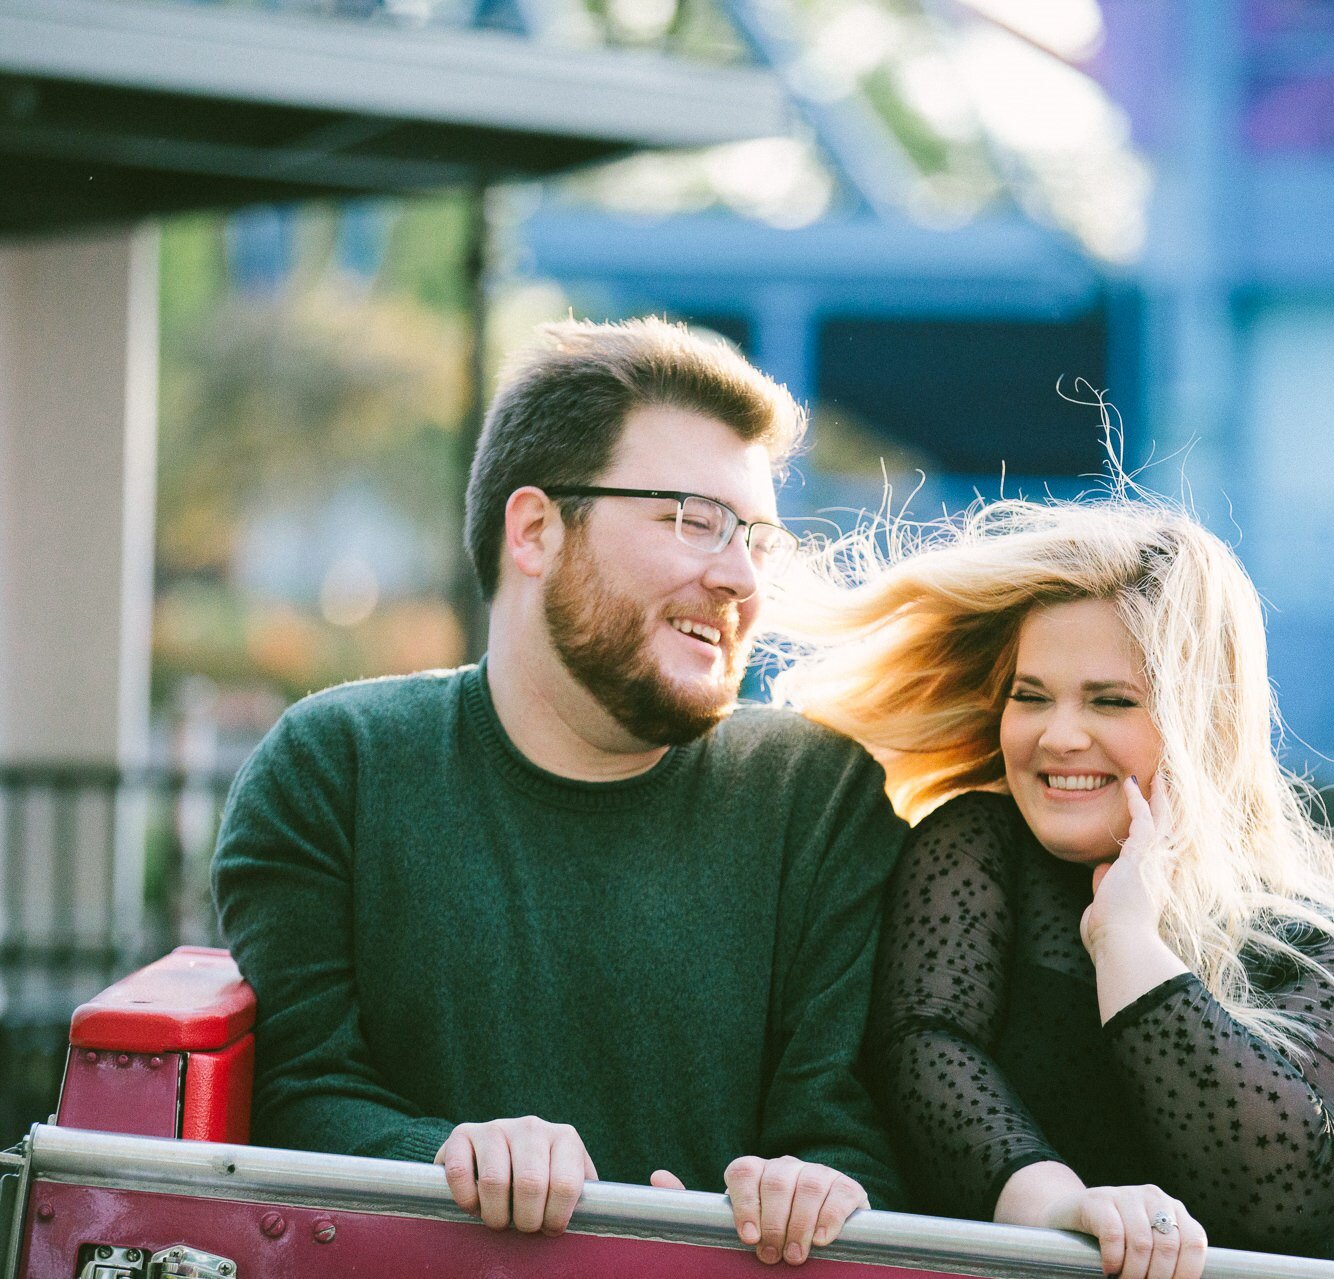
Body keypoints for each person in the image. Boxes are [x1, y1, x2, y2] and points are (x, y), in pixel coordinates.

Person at [211, 318, 906, 1257]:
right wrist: (453, 1154)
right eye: (695, 520)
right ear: (536, 528)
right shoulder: (335, 766)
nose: (740, 576)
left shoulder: (820, 795)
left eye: (759, 541)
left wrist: (813, 1188)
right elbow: (295, 1095)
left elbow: (852, 1124)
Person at [769, 496, 1334, 1274]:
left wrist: (1126, 942)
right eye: (1032, 695)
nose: (1057, 735)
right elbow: (922, 1045)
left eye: (1110, 700)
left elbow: (1285, 1199)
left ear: (1205, 721)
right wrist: (1057, 1209)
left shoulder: (1326, 946)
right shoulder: (976, 848)